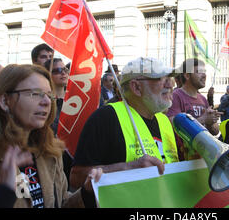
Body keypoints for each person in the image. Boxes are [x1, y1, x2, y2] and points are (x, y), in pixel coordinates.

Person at [0, 64, 102, 207]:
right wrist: (2, 196)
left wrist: (86, 192)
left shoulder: (49, 153)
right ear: (4, 101)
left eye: (49, 95)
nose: (46, 102)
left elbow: (60, 202)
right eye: (35, 93)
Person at [69, 57, 179, 189]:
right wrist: (128, 168)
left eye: (170, 79)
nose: (170, 85)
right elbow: (76, 178)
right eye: (162, 79)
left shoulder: (164, 121)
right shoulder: (105, 117)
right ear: (136, 87)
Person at [166, 58, 222, 161]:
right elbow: (172, 125)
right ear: (187, 75)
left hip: (201, 158)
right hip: (183, 159)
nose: (204, 75)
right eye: (199, 72)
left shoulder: (203, 99)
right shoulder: (176, 96)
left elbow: (215, 131)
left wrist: (212, 122)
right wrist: (204, 119)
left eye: (204, 72)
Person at [44, 58, 68, 135]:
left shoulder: (74, 97)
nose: (63, 73)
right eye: (58, 71)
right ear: (48, 74)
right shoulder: (44, 101)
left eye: (65, 69)